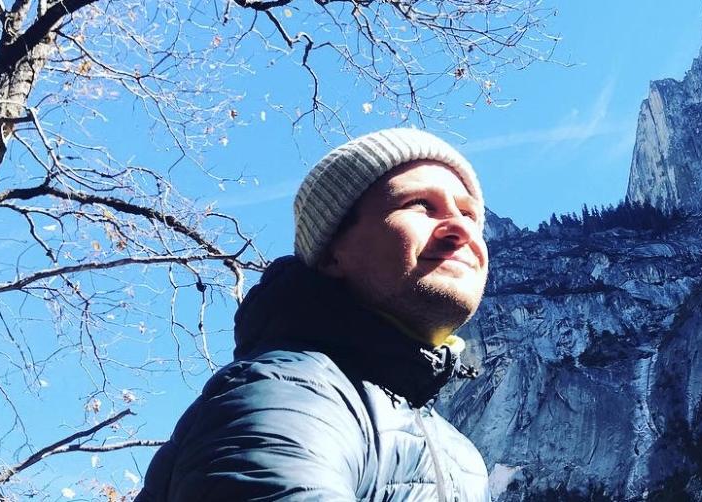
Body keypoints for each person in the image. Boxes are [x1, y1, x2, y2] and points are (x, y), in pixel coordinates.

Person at [138, 128, 491, 501]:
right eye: (419, 204)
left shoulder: (460, 454)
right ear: (330, 253)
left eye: (469, 213)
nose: (461, 228)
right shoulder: (288, 392)